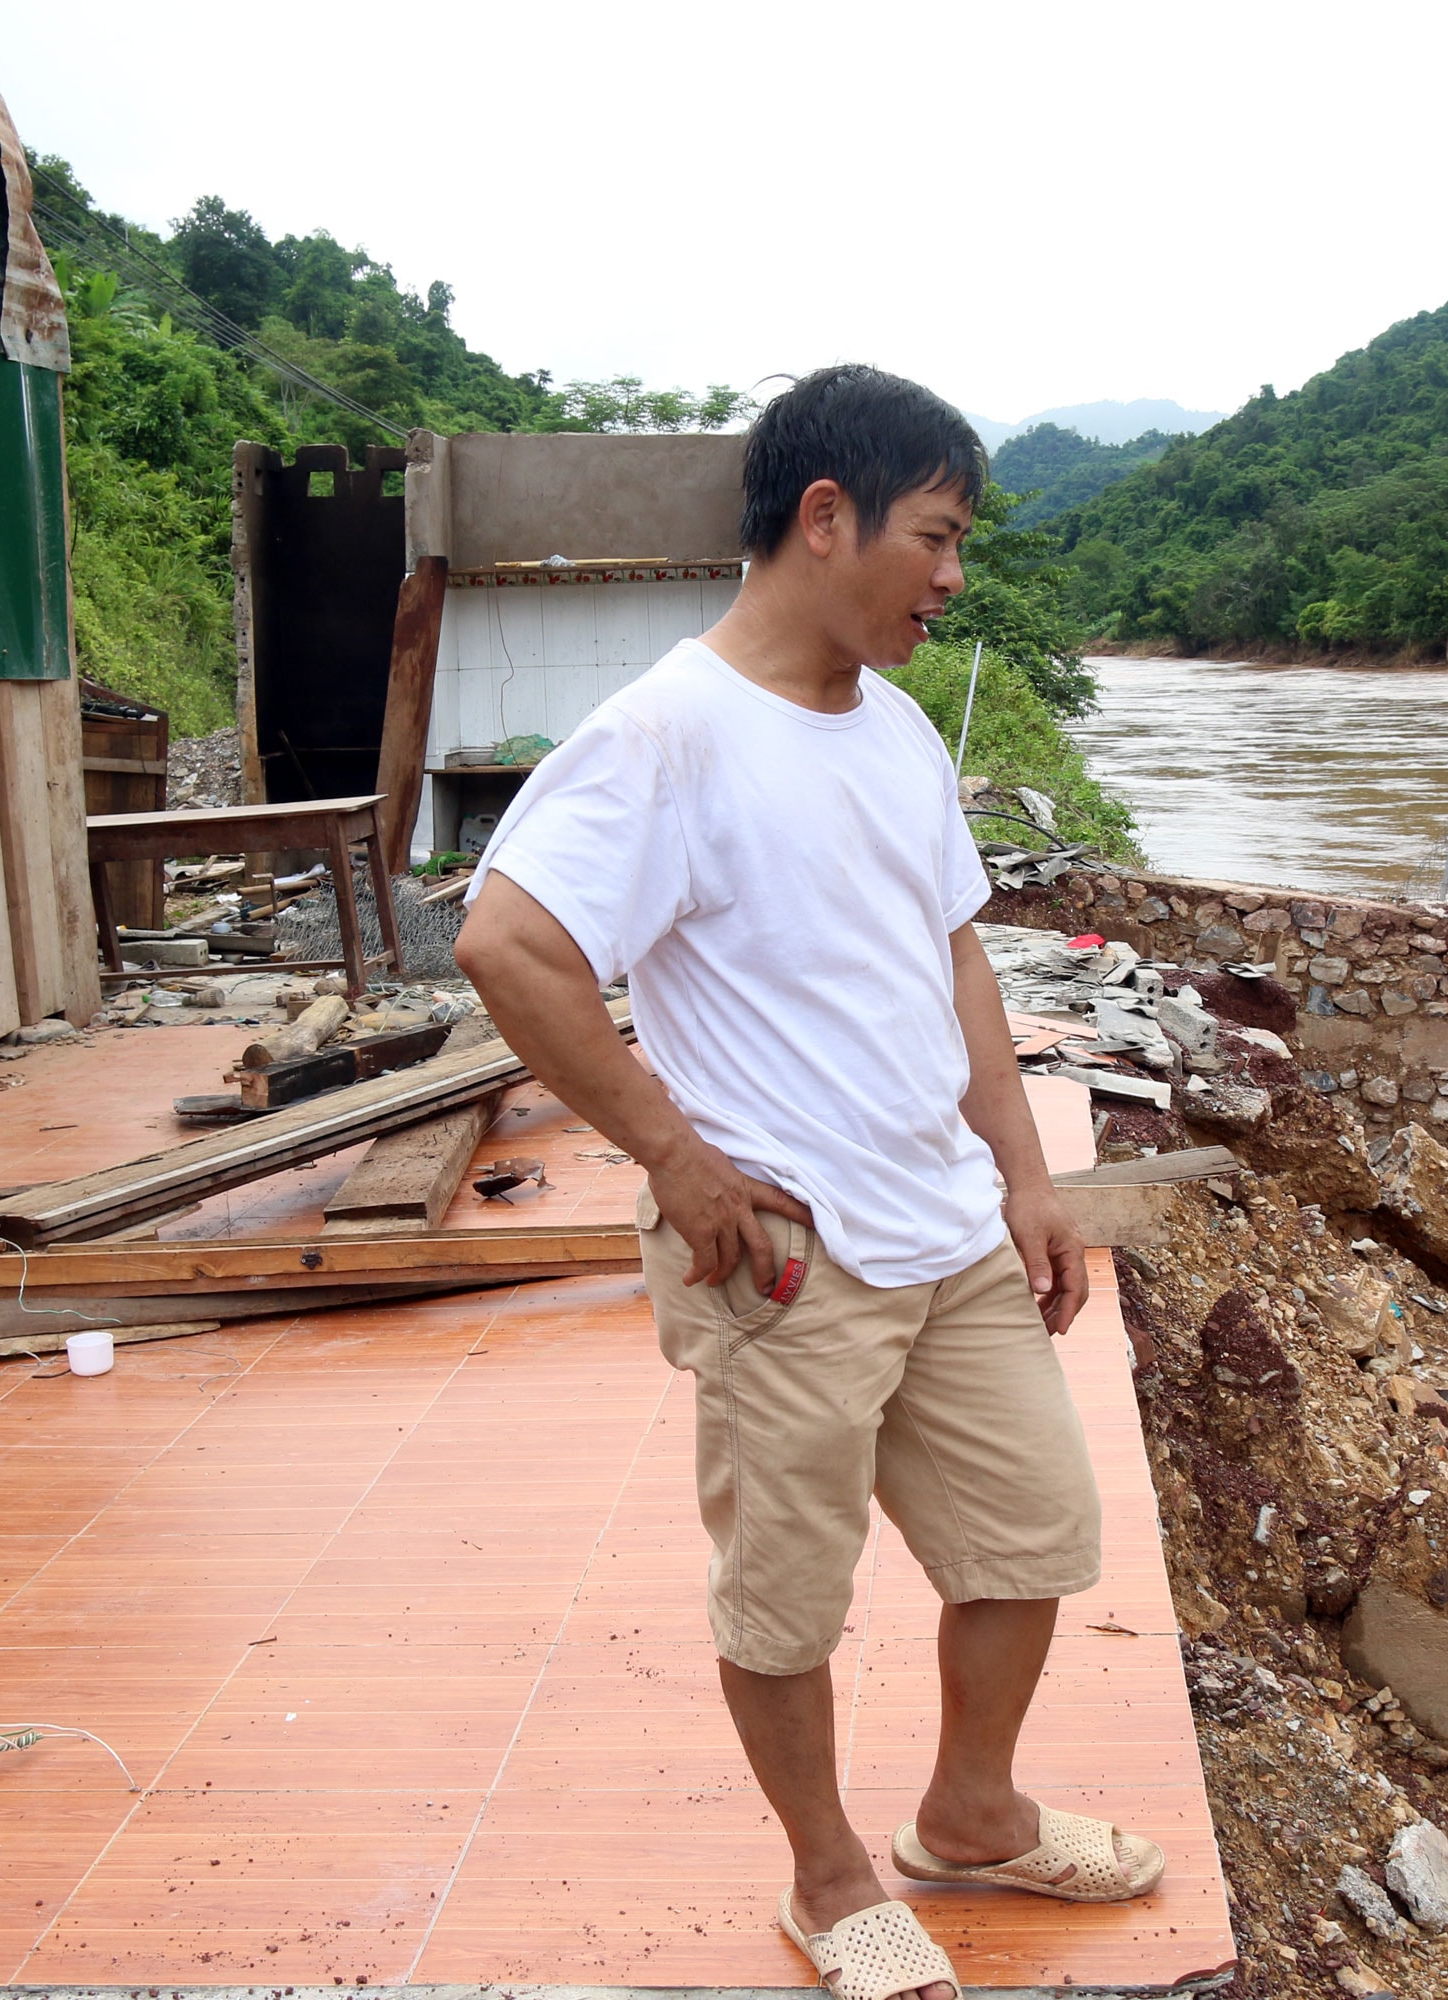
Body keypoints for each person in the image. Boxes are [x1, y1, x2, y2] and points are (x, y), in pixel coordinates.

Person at [454, 364, 1164, 2000]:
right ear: (825, 516)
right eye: (937, 535)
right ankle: (828, 1876)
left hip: (949, 1226)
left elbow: (955, 953)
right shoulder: (667, 735)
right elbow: (512, 942)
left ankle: (972, 1815)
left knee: (1034, 1539)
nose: (953, 575)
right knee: (788, 1597)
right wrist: (677, 1161)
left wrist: (1026, 1174)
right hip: (792, 1256)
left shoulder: (898, 728)